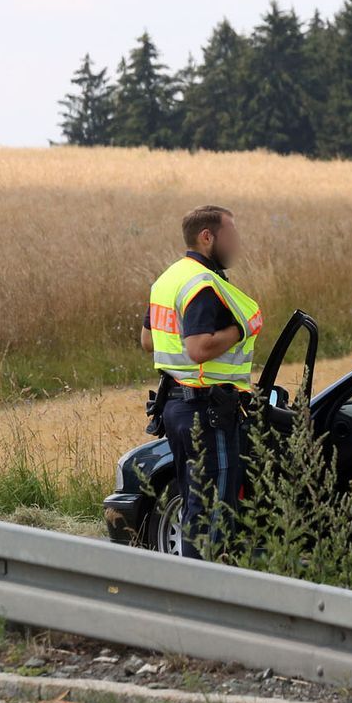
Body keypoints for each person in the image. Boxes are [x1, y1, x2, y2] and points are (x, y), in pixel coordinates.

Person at [144, 205, 263, 558]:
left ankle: (191, 584)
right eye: (231, 235)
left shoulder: (166, 280)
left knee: (195, 505)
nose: (236, 242)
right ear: (207, 237)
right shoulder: (203, 285)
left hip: (175, 408)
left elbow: (148, 340)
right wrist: (238, 330)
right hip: (207, 411)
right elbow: (198, 348)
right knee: (216, 509)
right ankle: (208, 591)